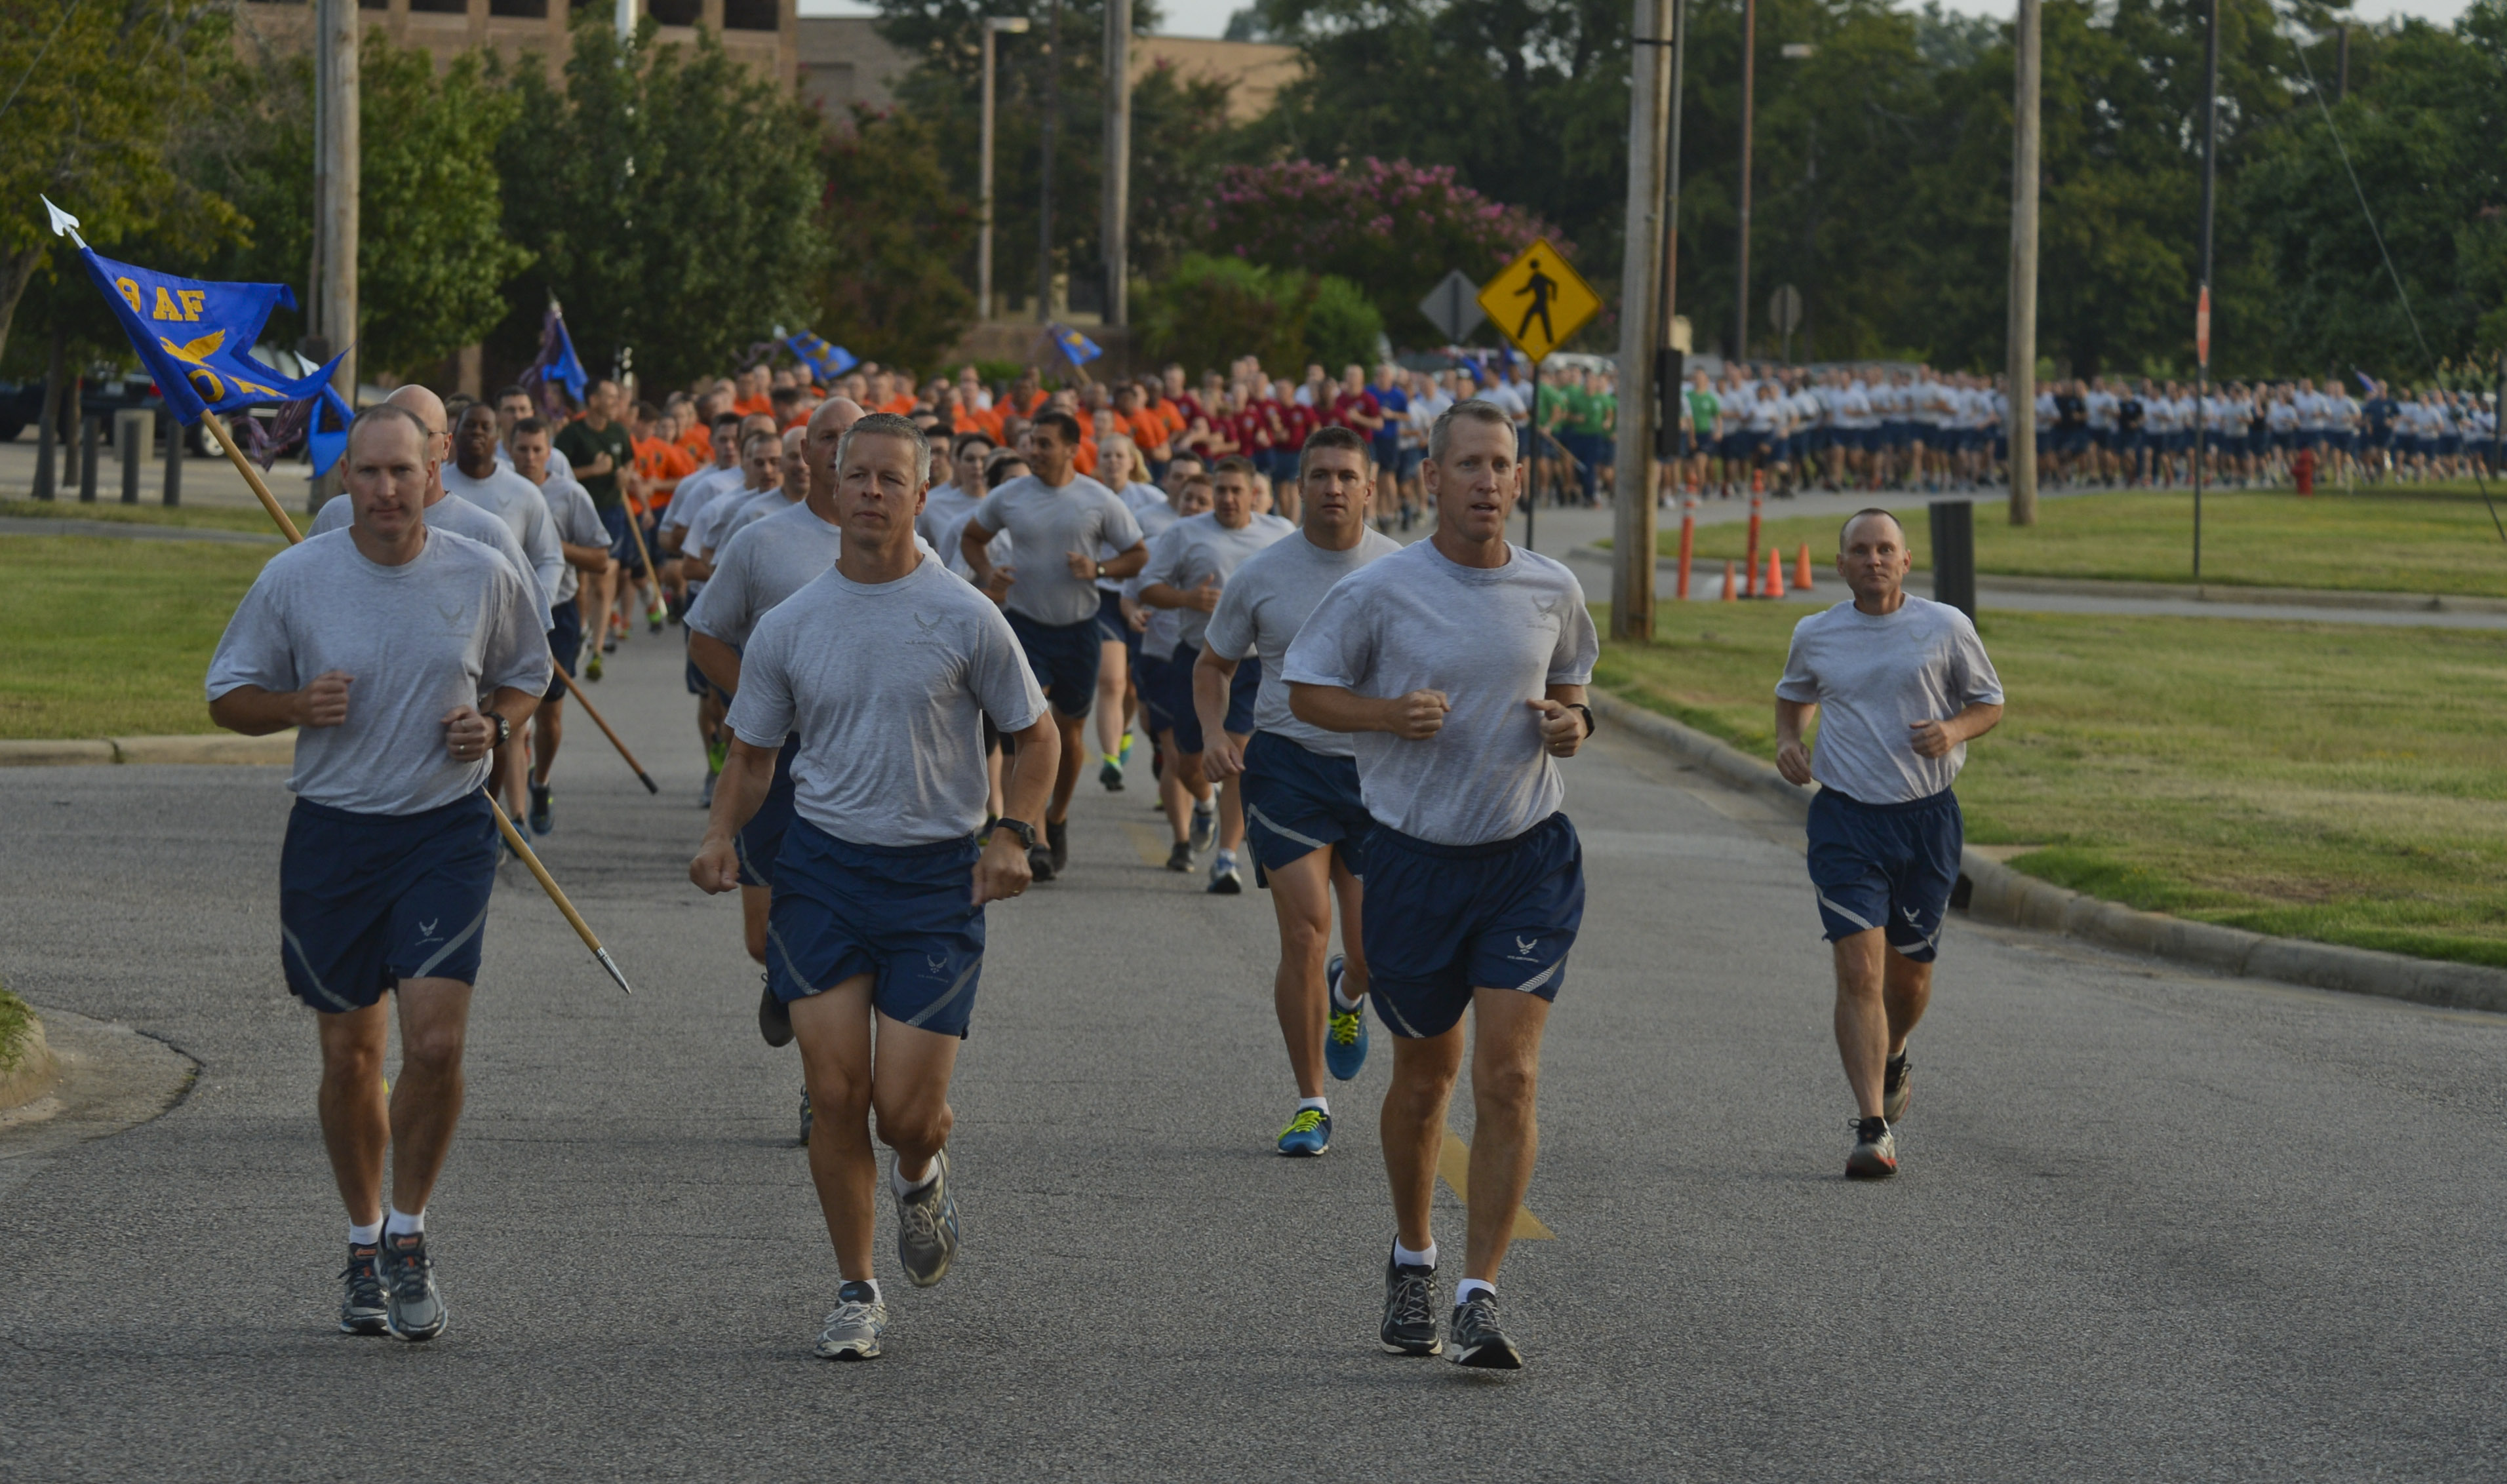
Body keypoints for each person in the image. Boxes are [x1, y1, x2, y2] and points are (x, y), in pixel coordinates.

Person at [689, 413, 1058, 1362]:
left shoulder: (965, 614)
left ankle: (923, 1170)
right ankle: (857, 1289)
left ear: (920, 494)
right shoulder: (792, 623)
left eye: (892, 479)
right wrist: (723, 833)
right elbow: (754, 752)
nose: (871, 493)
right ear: (832, 480)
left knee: (905, 1112)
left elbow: (1037, 735)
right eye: (857, 475)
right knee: (834, 1089)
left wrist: (1014, 832)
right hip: (822, 870)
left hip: (937, 878)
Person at [205, 403, 551, 1342]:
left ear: (432, 473)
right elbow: (225, 695)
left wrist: (500, 724)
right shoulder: (297, 577)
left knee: (435, 1048)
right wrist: (292, 705)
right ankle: (362, 1243)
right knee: (350, 1054)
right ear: (345, 480)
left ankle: (409, 1232)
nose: (387, 490)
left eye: (403, 472)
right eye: (368, 474)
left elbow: (529, 673)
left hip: (444, 829)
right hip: (335, 834)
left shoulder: (482, 572)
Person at [1282, 399, 1598, 1369]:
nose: (1488, 481)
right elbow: (1304, 691)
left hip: (1526, 858)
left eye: (1502, 465)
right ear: (1431, 479)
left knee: (1510, 1075)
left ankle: (1480, 1294)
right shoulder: (1382, 592)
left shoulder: (1552, 587)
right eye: (1469, 464)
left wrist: (1571, 724)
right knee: (1427, 1078)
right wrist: (1382, 717)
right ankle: (1414, 1255)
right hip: (1413, 862)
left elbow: (1577, 682)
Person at [1774, 509, 2004, 1180]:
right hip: (1845, 819)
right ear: (1840, 564)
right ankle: (1871, 1126)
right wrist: (1789, 739)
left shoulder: (1945, 626)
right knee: (1859, 971)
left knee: (1907, 978)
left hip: (1925, 820)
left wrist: (1953, 731)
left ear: (1905, 561)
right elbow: (1794, 697)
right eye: (1859, 550)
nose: (1872, 559)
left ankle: (1894, 1047)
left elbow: (1988, 702)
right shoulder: (1814, 633)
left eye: (1884, 549)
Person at [1196, 425, 1400, 1155]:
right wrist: (1217, 732)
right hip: (1285, 763)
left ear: (1370, 488)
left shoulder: (1401, 571)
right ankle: (1310, 1101)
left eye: (1347, 475)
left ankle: (1348, 994)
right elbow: (1212, 663)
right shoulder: (1261, 572)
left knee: (1374, 948)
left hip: (1376, 770)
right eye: (1319, 475)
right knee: (1305, 928)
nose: (1333, 487)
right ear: (1298, 487)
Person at [957, 410, 1147, 881]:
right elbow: (972, 537)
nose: (1034, 452)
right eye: (1031, 443)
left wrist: (1099, 570)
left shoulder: (1097, 499)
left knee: (1071, 734)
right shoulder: (1010, 496)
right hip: (1024, 627)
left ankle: (1058, 815)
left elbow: (1138, 555)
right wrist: (987, 574)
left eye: (1044, 444)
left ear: (1070, 448)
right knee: (1028, 730)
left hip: (1080, 629)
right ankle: (1036, 837)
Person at [1141, 456, 1290, 894]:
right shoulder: (1185, 533)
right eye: (1220, 490)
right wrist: (1188, 597)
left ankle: (1227, 860)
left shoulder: (1278, 534)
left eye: (1235, 490)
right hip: (1197, 657)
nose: (1227, 498)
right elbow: (1148, 587)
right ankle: (1205, 805)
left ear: (1253, 494)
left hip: (1253, 662)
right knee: (1191, 763)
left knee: (1236, 757)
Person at [441, 403, 569, 825]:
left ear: (499, 438)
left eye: (486, 427)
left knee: (495, 724)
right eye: (469, 425)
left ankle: (490, 815)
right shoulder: (434, 486)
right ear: (452, 436)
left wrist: (533, 611)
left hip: (498, 628)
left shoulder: (522, 494)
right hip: (445, 623)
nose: (477, 433)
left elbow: (549, 559)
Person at [507, 418, 610, 835]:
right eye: (522, 450)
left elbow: (600, 559)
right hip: (507, 614)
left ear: (550, 452)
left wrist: (552, 544)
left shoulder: (570, 495)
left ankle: (540, 781)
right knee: (509, 716)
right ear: (508, 450)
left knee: (548, 717)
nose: (530, 458)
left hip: (558, 612)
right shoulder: (501, 493)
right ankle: (511, 819)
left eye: (537, 450)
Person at [555, 379, 637, 657]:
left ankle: (598, 648)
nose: (616, 402)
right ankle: (582, 629)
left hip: (611, 511)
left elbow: (628, 461)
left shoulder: (618, 432)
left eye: (617, 397)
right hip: (578, 514)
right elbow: (557, 476)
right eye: (610, 397)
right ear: (593, 401)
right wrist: (593, 470)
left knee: (604, 576)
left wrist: (625, 474)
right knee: (580, 584)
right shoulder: (572, 434)